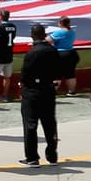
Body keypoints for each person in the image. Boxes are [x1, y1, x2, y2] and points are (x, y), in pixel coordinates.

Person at [18, 24, 59, 166]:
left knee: (30, 124)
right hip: (48, 89)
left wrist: (22, 86)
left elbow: (25, 74)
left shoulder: (32, 53)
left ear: (32, 35)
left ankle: (32, 157)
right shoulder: (52, 50)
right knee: (50, 124)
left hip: (32, 91)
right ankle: (52, 155)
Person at [49, 16, 79, 95]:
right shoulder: (72, 31)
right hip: (71, 53)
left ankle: (52, 92)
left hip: (61, 54)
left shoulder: (60, 32)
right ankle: (72, 91)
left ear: (60, 23)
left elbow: (49, 40)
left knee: (57, 75)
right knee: (70, 74)